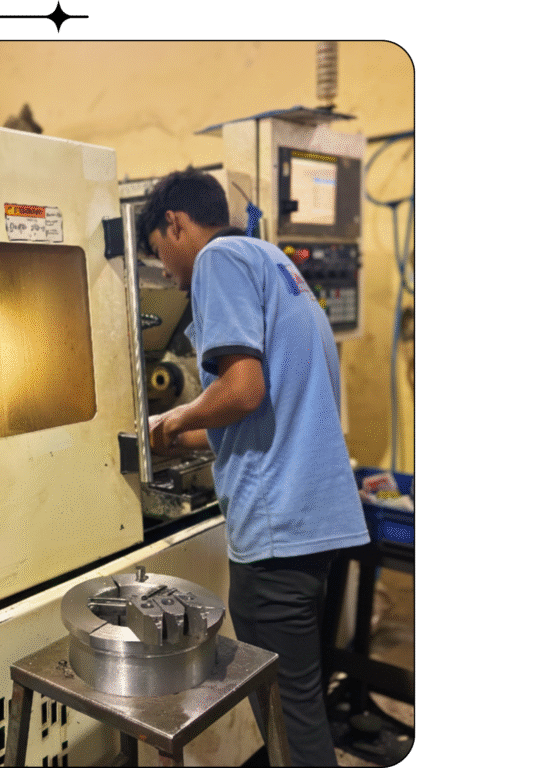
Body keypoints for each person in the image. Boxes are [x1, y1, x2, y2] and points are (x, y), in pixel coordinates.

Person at [137, 168, 370, 766]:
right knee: (300, 704)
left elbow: (242, 390)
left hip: (276, 533)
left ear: (175, 224)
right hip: (313, 521)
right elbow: (263, 404)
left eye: (158, 252)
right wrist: (182, 429)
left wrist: (171, 418)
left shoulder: (217, 261)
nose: (165, 271)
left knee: (291, 721)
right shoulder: (272, 261)